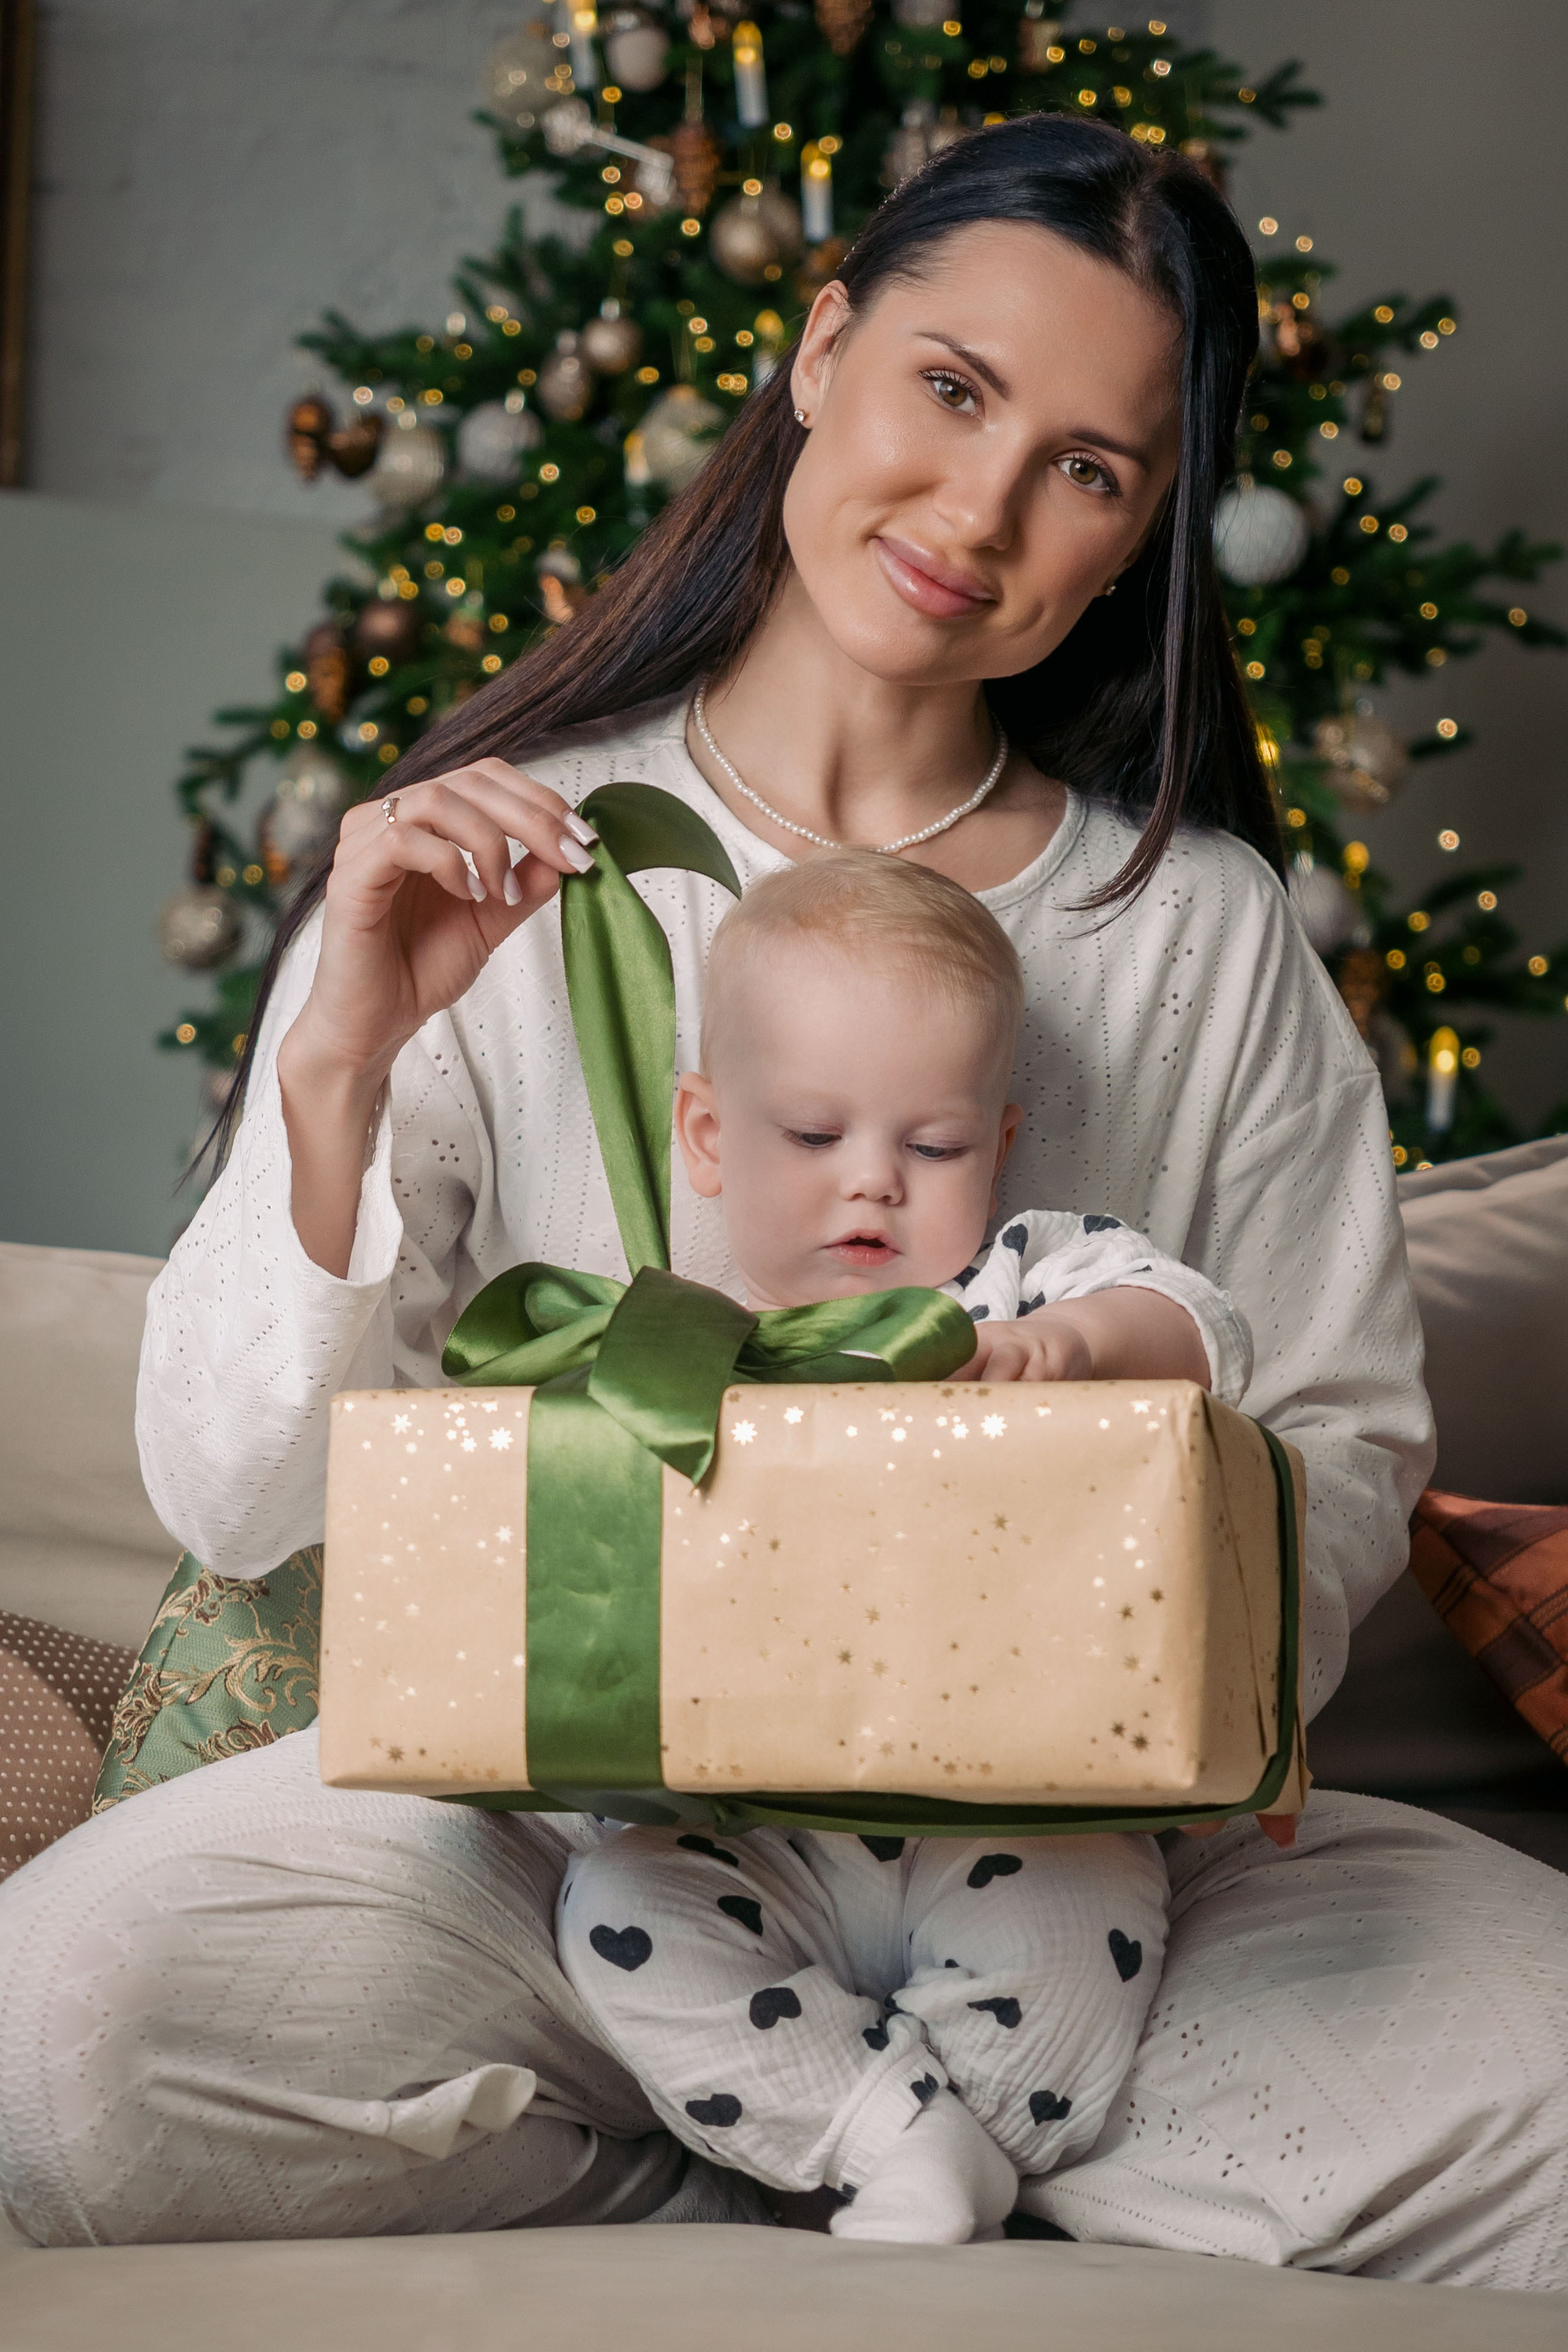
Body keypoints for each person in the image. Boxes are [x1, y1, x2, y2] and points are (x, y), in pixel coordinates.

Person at [2, 114, 1565, 2282]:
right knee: (58, 2049)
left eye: (1088, 471)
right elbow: (236, 1488)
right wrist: (340, 1060)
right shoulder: (496, 865)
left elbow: (1345, 1451)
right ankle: (823, 2136)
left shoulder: (1201, 940)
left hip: (1088, 1869)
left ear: (1137, 544)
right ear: (820, 350)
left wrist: (1084, 1614)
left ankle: (913, 2123)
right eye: (950, 388)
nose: (982, 511)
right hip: (567, 1854)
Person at [558, 849, 1250, 2245]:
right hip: (749, 1825)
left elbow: (1200, 1331)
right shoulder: (670, 1345)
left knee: (1080, 1939)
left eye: (928, 1148)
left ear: (994, 1146)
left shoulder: (1011, 1291)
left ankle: (961, 2152)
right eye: (813, 1138)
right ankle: (890, 2132)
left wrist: (1065, 1347)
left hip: (1017, 1808)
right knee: (613, 1913)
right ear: (706, 1134)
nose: (871, 1186)